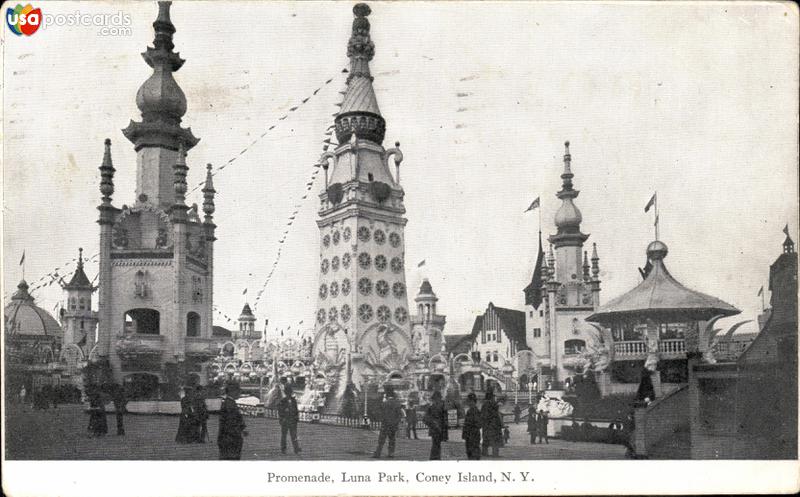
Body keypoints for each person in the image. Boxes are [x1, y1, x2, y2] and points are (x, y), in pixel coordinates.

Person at [218, 383, 247, 460]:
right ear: (232, 391)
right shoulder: (230, 404)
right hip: (231, 437)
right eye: (238, 391)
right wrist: (240, 429)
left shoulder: (228, 402)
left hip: (227, 436)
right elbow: (232, 421)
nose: (239, 394)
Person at [373, 388, 403, 458]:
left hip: (385, 424)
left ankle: (378, 453)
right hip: (393, 425)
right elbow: (400, 415)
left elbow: (379, 413)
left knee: (381, 439)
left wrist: (383, 420)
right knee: (392, 439)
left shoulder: (384, 404)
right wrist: (396, 422)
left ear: (387, 396)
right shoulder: (397, 404)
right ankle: (391, 453)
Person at [423, 391, 448, 460]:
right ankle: (435, 459)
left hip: (436, 429)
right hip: (437, 429)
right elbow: (445, 420)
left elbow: (425, 419)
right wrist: (434, 424)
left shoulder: (433, 407)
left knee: (436, 445)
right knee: (436, 445)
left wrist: (432, 424)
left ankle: (434, 458)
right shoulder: (438, 407)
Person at [277, 384, 301, 454]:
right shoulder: (283, 401)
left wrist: (296, 417)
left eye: (290, 392)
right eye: (288, 392)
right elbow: (280, 410)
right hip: (286, 420)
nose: (289, 393)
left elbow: (296, 410)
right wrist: (282, 418)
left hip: (292, 420)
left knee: (293, 435)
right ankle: (283, 448)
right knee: (284, 435)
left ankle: (296, 448)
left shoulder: (293, 400)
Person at [480, 390, 503, 457]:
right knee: (495, 439)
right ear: (491, 397)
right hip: (494, 425)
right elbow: (495, 413)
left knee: (486, 439)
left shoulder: (484, 404)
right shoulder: (493, 404)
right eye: (493, 397)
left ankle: (484, 452)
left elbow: (483, 415)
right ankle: (495, 453)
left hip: (486, 424)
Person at [461, 392, 481, 460]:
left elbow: (476, 424)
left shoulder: (473, 411)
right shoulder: (472, 410)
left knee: (472, 453)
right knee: (472, 452)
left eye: (469, 401)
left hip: (472, 435)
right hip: (472, 435)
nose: (468, 403)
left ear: (473, 401)